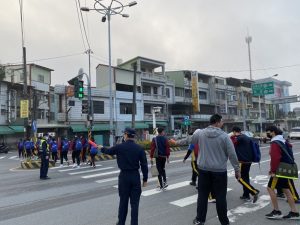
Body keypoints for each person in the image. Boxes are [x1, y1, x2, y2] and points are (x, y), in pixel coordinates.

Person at [191, 114, 240, 225]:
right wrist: (237, 169)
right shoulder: (224, 136)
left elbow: (191, 142)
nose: (222, 123)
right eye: (221, 121)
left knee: (202, 196)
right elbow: (232, 154)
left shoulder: (200, 133)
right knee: (221, 197)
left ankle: (200, 219)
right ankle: (224, 222)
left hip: (203, 170)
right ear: (217, 122)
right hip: (219, 172)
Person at [99, 128, 148, 225]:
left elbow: (108, 151)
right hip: (135, 177)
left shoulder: (119, 147)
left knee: (123, 203)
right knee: (135, 205)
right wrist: (145, 179)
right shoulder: (139, 148)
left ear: (126, 135)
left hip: (124, 177)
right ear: (133, 136)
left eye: (124, 134)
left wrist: (101, 147)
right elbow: (144, 164)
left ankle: (121, 222)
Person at [265, 125, 299, 220]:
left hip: (279, 171)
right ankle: (294, 212)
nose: (267, 134)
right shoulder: (283, 140)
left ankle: (276, 211)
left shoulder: (275, 143)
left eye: (268, 132)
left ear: (273, 132)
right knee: (286, 190)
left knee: (270, 188)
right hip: (285, 168)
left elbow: (276, 158)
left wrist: (273, 171)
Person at [230, 126, 260, 203]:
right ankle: (246, 195)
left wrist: (232, 136)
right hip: (248, 161)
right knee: (245, 178)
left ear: (234, 131)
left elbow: (231, 144)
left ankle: (253, 191)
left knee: (239, 177)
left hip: (242, 161)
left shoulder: (239, 138)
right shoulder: (246, 137)